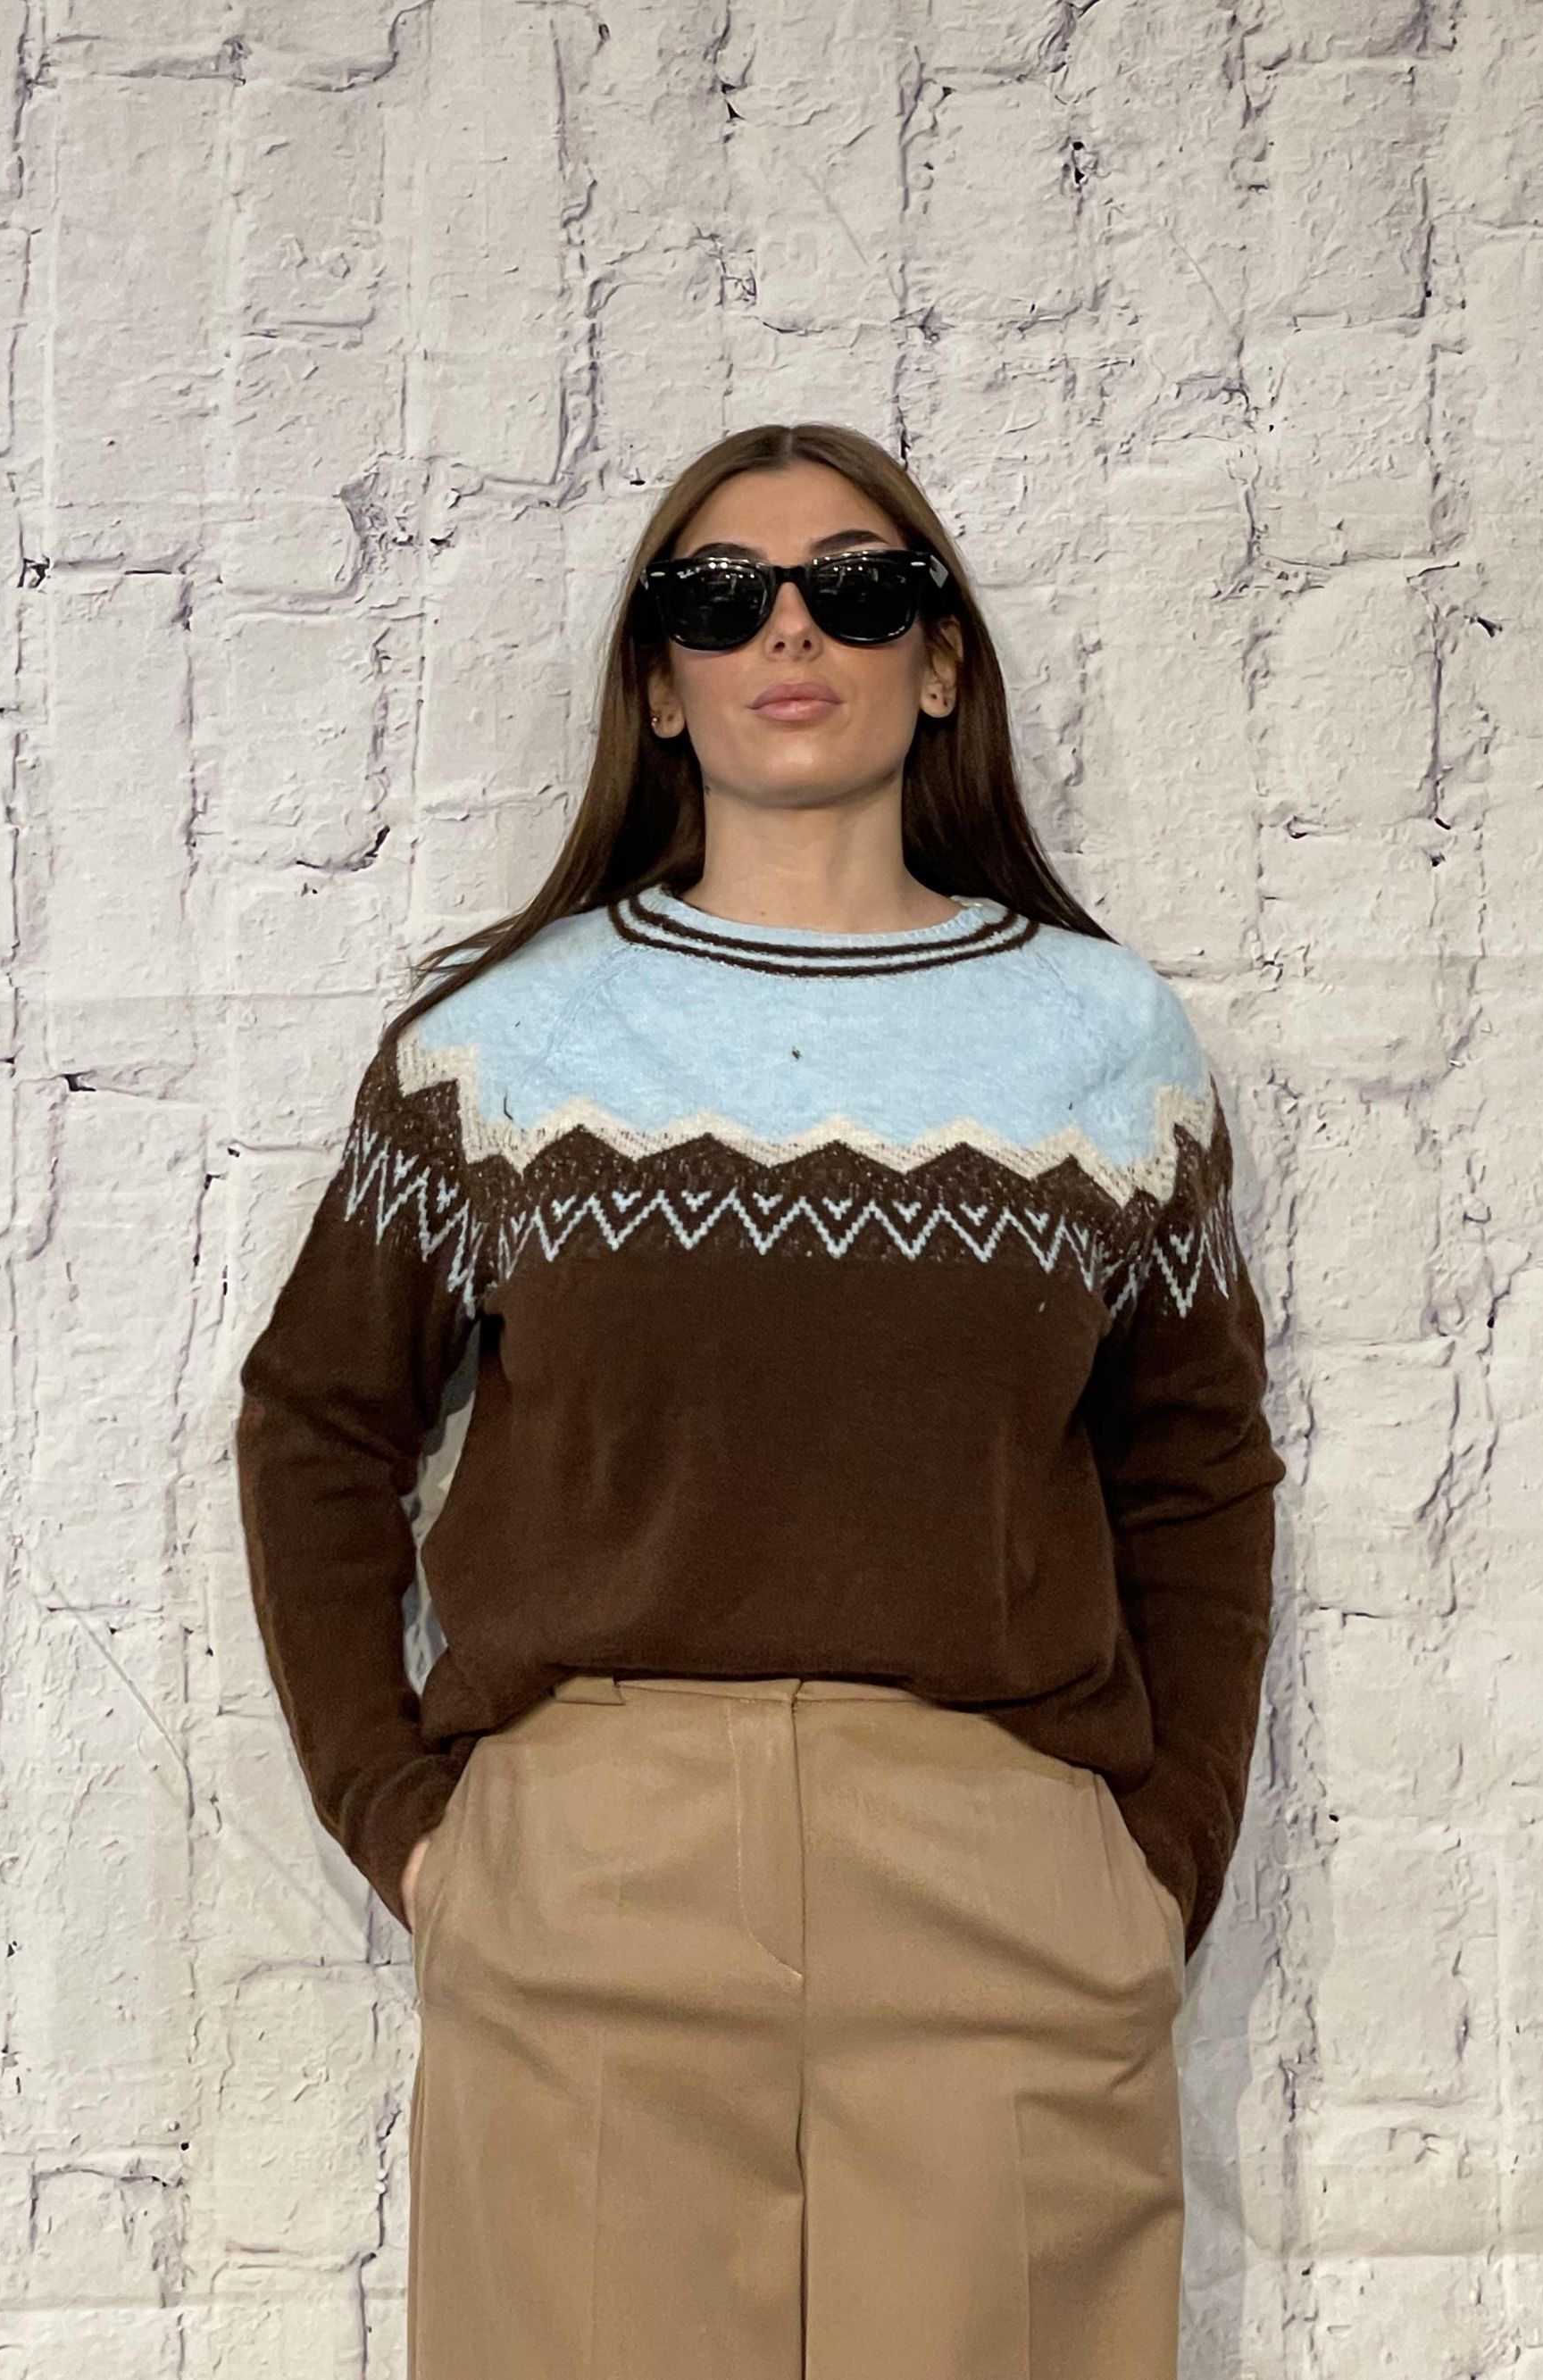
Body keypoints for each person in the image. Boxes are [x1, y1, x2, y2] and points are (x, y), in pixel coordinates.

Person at [232, 419, 1288, 2380]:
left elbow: (1197, 1470)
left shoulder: (1103, 1042)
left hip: (1003, 1876)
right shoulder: (505, 1044)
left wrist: (1165, 1857)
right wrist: (412, 1828)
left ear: (940, 660)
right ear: (659, 681)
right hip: (590, 1884)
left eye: (858, 588)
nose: (789, 631)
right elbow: (316, 1419)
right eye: (719, 598)